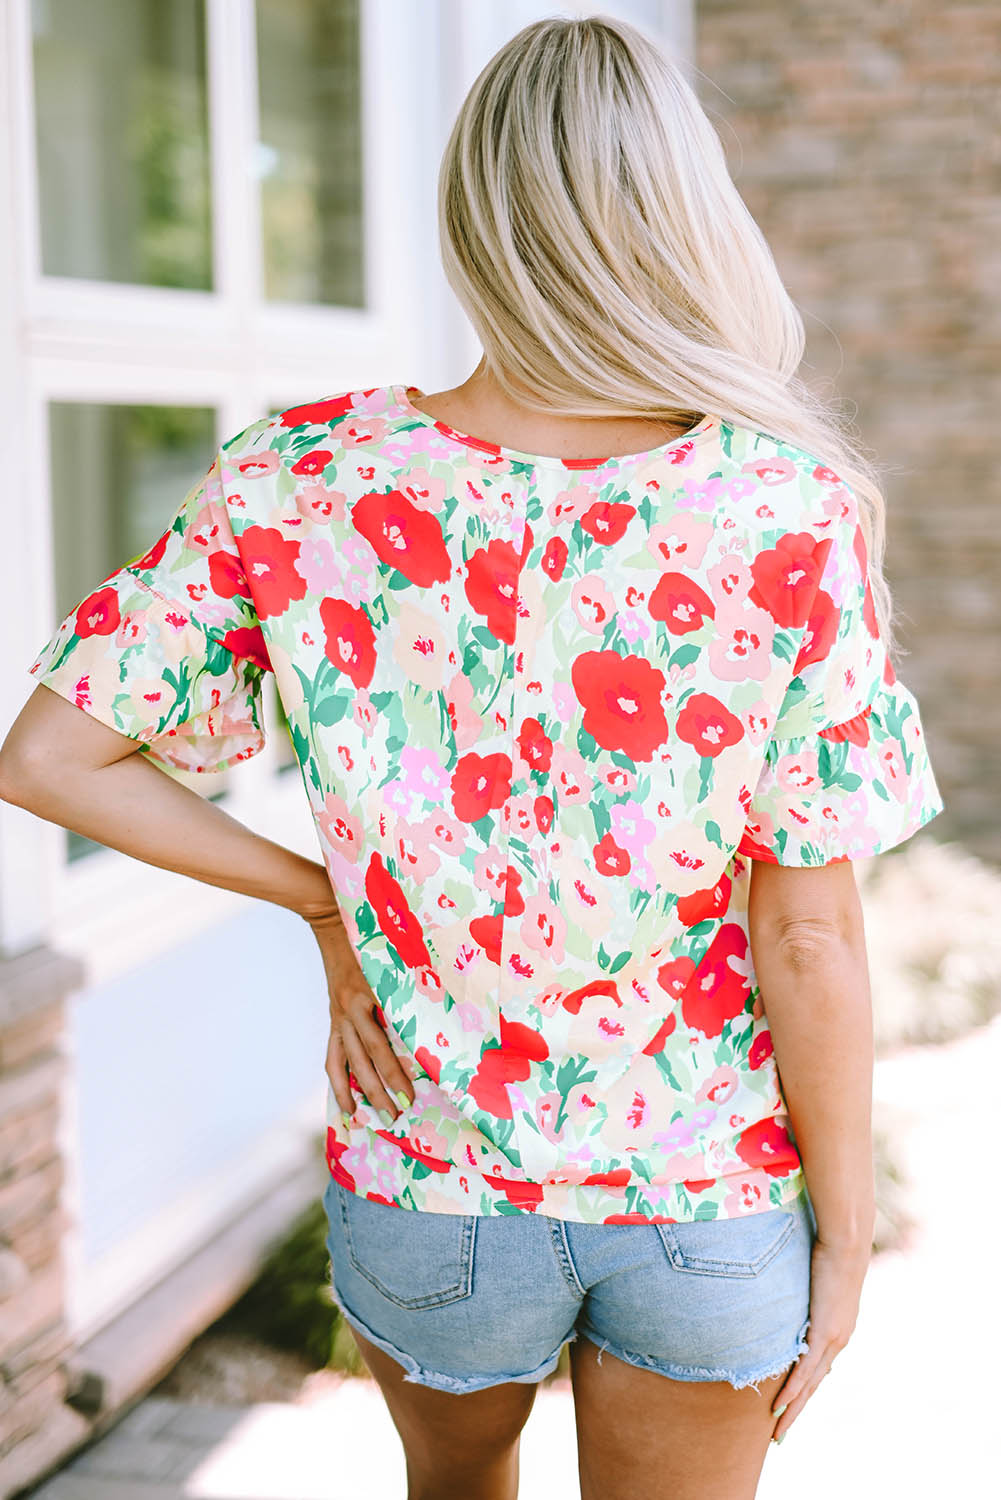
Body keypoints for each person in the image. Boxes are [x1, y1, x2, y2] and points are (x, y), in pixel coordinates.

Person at [0, 14, 944, 1500]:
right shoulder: (785, 509)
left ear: (473, 224)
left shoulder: (302, 476)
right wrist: (837, 1234)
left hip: (431, 1196)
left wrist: (325, 897)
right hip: (702, 1199)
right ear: (685, 220)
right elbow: (809, 934)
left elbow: (51, 757)